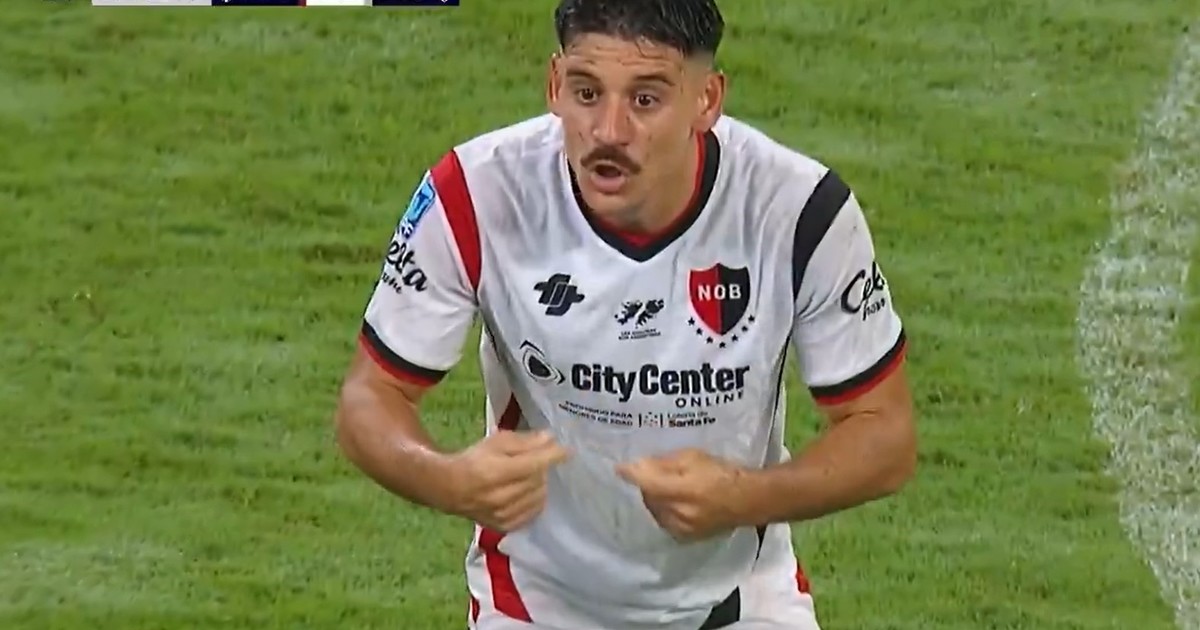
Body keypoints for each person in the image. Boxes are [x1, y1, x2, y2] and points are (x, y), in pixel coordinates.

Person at [333, 0, 917, 628]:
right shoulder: (475, 194)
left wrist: (744, 497)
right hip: (535, 605)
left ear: (707, 100)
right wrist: (447, 479)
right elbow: (371, 397)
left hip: (741, 599)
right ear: (554, 84)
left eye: (645, 99)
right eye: (587, 93)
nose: (609, 131)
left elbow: (883, 434)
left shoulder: (799, 211)